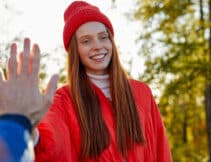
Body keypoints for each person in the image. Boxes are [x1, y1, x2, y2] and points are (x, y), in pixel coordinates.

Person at [0, 1, 172, 162]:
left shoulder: (142, 92)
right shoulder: (63, 100)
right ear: (75, 50)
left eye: (103, 37)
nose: (97, 46)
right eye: (86, 41)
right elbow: (50, 146)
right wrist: (28, 128)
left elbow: (161, 150)